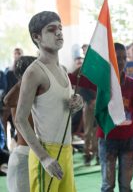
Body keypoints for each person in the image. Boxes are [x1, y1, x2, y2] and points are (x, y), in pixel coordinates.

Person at [15, 11, 83, 192]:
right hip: (46, 151)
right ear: (37, 37)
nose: (59, 33)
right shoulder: (34, 72)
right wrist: (44, 158)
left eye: (60, 28)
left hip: (66, 149)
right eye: (52, 30)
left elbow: (61, 106)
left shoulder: (62, 69)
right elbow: (20, 119)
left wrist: (78, 102)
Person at [97, 43, 133, 192]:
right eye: (117, 58)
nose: (121, 61)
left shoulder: (132, 84)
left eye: (124, 58)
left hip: (128, 140)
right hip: (107, 138)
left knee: (126, 185)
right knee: (108, 185)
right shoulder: (102, 83)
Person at [4, 56, 36, 192]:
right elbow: (7, 101)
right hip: (24, 155)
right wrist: (23, 81)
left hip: (38, 154)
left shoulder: (37, 92)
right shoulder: (19, 94)